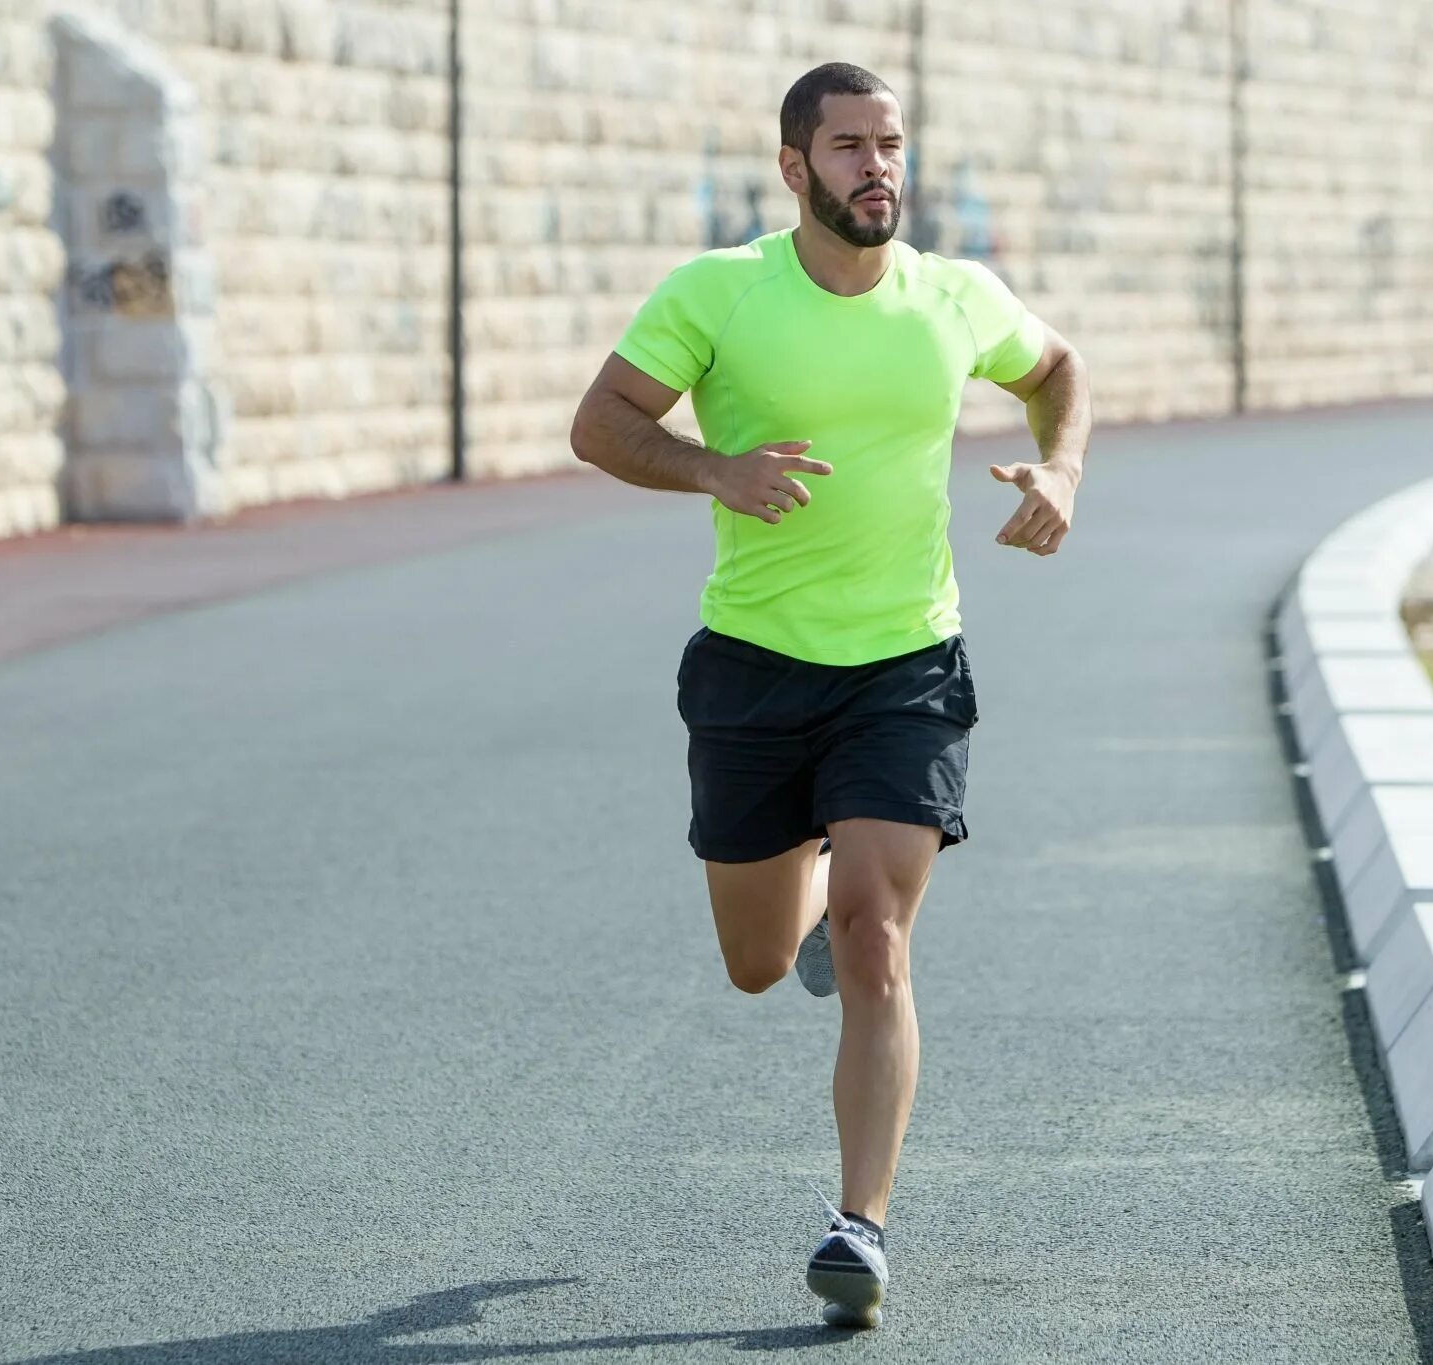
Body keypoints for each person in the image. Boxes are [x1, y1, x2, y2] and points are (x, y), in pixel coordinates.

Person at [567, 61, 1091, 1329]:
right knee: (757, 963)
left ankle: (858, 1226)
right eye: (848, 146)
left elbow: (1057, 366)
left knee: (875, 934)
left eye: (890, 144)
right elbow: (602, 425)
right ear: (794, 168)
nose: (877, 168)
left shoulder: (951, 298)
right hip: (750, 667)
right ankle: (795, 902)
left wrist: (1063, 472)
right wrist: (714, 469)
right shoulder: (718, 292)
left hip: (905, 665)